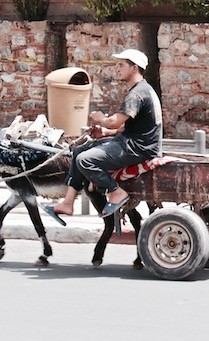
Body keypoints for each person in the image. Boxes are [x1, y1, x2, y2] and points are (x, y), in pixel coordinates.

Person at [44, 48, 163, 225]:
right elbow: (130, 126)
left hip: (137, 149)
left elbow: (115, 121)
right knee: (78, 151)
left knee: (85, 160)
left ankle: (116, 192)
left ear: (134, 68)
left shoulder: (137, 94)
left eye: (121, 65)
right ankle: (67, 203)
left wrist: (102, 120)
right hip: (134, 143)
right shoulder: (143, 90)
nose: (117, 68)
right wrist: (105, 133)